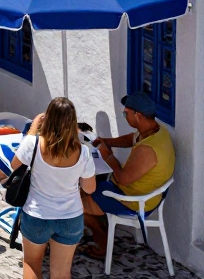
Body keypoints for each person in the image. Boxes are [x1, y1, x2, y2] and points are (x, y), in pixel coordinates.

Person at [80, 92, 176, 260]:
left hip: (134, 201)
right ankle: (102, 225)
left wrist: (107, 156)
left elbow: (123, 178)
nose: (124, 116)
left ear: (138, 116)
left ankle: (102, 242)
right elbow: (132, 139)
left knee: (76, 201)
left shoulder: (148, 150)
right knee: (90, 185)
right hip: (138, 191)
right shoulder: (156, 130)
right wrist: (107, 142)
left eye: (126, 114)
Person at [10, 98, 97, 279]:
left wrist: (33, 128)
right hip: (70, 217)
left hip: (37, 215)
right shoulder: (84, 152)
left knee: (31, 264)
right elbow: (90, 189)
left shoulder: (33, 144)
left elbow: (14, 165)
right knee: (61, 272)